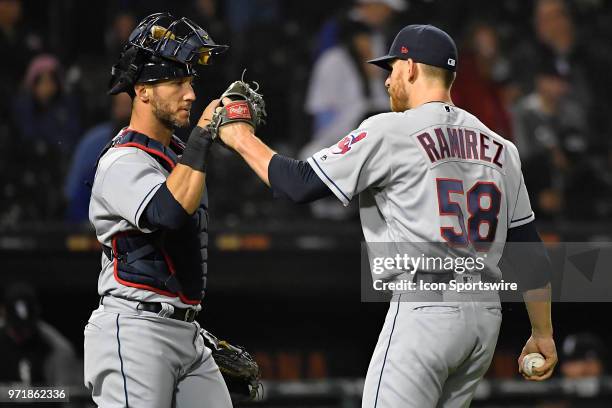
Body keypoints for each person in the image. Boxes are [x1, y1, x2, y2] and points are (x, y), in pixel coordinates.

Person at [210, 24, 557, 406]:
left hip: (426, 308)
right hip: (485, 319)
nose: (388, 80)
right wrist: (542, 333)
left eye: (391, 69)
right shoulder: (502, 147)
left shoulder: (391, 131)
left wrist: (240, 136)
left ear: (410, 67)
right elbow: (530, 254)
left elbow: (300, 184)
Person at [84, 12, 233, 407]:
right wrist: (204, 135)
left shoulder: (178, 156)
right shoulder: (122, 159)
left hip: (184, 331)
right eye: (176, 82)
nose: (190, 94)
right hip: (134, 329)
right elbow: (166, 213)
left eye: (190, 82)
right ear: (143, 91)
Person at [64, 92, 132, 223]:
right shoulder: (94, 142)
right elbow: (75, 199)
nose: (125, 112)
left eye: (129, 105)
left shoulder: (156, 143)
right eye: (120, 105)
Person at [0, 282, 79, 386]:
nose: (23, 333)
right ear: (3, 313)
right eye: (17, 328)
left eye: (27, 326)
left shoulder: (55, 347)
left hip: (42, 402)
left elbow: (63, 394)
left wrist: (21, 393)